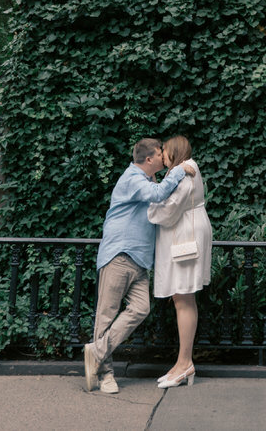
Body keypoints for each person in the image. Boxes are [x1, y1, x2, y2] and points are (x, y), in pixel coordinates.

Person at [83, 137, 195, 394]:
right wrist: (178, 170)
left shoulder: (150, 180)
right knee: (106, 316)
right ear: (149, 159)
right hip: (119, 255)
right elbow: (157, 196)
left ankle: (96, 352)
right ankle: (105, 375)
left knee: (141, 308)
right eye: (160, 153)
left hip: (140, 261)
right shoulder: (132, 179)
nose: (164, 156)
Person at [147, 133, 212, 389]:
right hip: (186, 236)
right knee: (181, 298)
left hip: (186, 239)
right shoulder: (182, 172)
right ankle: (181, 363)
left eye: (164, 151)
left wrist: (150, 208)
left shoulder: (186, 174)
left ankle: (185, 364)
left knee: (183, 297)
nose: (161, 155)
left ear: (174, 151)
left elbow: (167, 211)